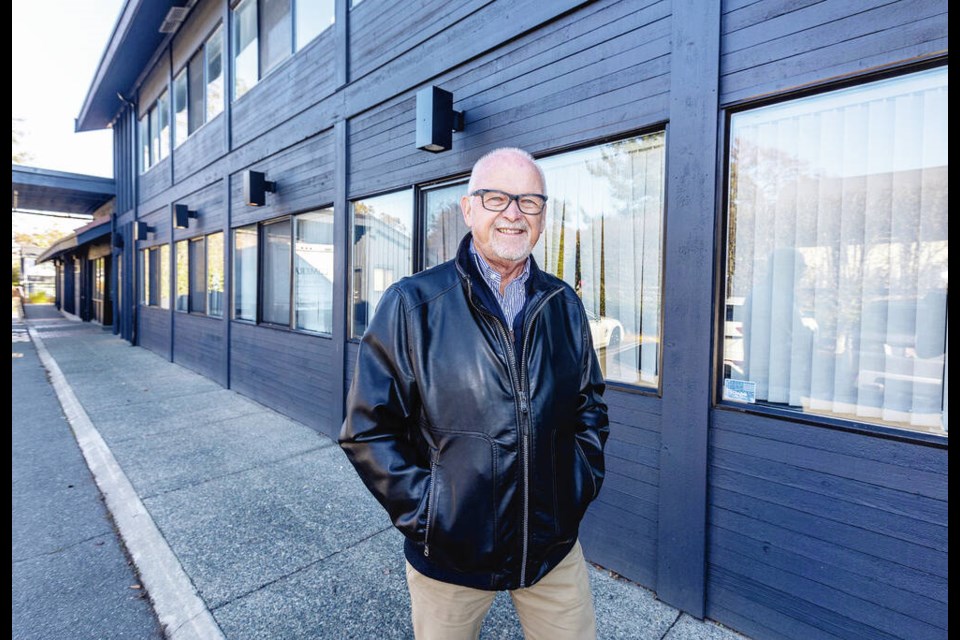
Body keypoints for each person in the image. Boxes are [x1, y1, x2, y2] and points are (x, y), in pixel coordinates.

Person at [339, 147, 609, 640]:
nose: (513, 212)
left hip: (551, 550)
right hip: (450, 558)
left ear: (543, 217)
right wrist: (432, 515)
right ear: (468, 209)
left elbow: (588, 408)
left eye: (529, 201)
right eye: (495, 198)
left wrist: (577, 487)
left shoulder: (563, 304)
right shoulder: (412, 304)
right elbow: (367, 431)